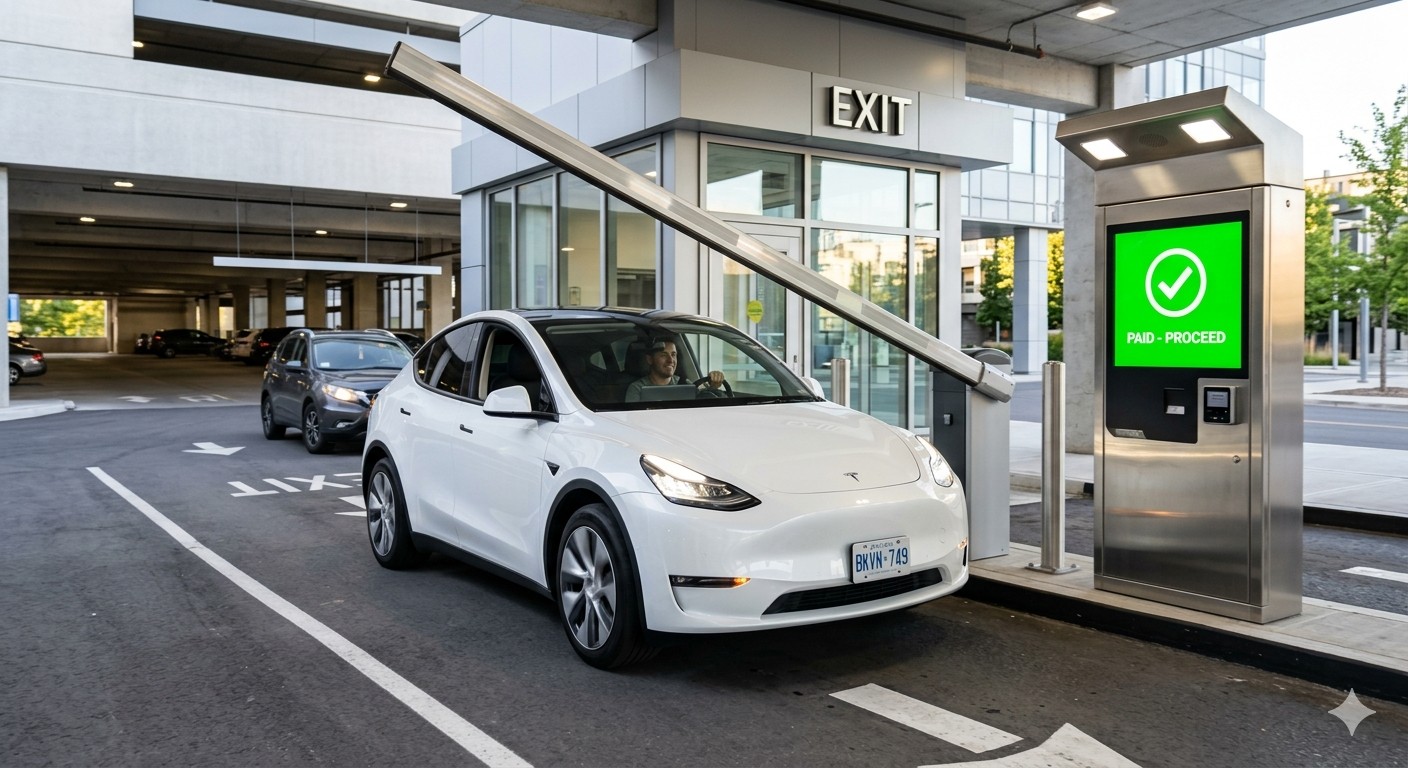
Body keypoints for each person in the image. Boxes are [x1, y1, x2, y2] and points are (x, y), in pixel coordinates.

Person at [624, 338, 725, 402]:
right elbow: (633, 420)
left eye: (673, 355)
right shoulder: (637, 389)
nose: (670, 360)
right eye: (664, 355)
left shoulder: (684, 384)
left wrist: (714, 386)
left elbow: (701, 406)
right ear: (650, 359)